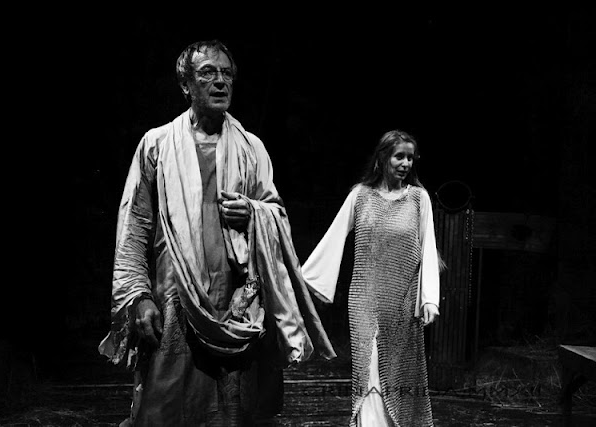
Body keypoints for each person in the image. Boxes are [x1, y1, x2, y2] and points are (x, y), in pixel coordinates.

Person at [98, 39, 335, 426]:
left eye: (226, 74)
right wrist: (138, 296)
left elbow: (276, 215)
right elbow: (134, 227)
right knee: (163, 410)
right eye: (208, 73)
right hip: (174, 300)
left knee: (234, 411)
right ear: (186, 84)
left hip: (238, 305)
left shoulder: (252, 148)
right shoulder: (157, 144)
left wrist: (254, 213)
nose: (220, 81)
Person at [302, 129, 441, 426]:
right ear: (383, 157)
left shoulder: (419, 199)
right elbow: (334, 236)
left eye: (410, 157)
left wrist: (429, 299)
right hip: (364, 299)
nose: (405, 163)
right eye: (399, 156)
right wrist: (307, 278)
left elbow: (428, 248)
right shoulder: (360, 196)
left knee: (400, 372)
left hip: (402, 302)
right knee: (369, 368)